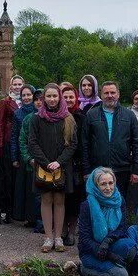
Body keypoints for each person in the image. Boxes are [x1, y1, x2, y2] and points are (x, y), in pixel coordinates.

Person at [27, 84, 78, 252]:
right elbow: (32, 143)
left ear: (59, 97)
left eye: (55, 96)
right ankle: (48, 237)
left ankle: (58, 237)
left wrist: (59, 161)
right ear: (44, 99)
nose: (52, 99)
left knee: (59, 201)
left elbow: (72, 144)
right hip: (43, 166)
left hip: (62, 166)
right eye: (48, 96)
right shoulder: (37, 118)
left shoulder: (68, 118)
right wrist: (45, 162)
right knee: (46, 200)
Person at [82, 81, 138, 200]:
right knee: (98, 203)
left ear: (118, 94)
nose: (110, 95)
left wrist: (137, 170)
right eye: (106, 93)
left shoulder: (129, 115)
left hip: (122, 168)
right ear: (101, 95)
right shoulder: (91, 115)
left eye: (113, 92)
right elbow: (85, 144)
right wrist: (86, 169)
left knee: (120, 202)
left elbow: (137, 144)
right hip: (97, 169)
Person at [77, 167, 129, 276]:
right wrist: (108, 254)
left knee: (130, 248)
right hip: (90, 252)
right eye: (103, 184)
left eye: (111, 183)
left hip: (111, 246)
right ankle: (84, 270)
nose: (108, 188)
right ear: (95, 186)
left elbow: (123, 229)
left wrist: (108, 241)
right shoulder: (87, 205)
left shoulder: (120, 200)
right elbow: (84, 239)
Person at [61, 83, 86, 245]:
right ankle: (62, 229)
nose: (69, 100)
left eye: (71, 97)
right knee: (61, 198)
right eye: (66, 97)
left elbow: (84, 143)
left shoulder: (81, 116)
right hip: (60, 163)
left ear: (76, 98)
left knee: (74, 199)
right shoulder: (57, 116)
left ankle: (71, 232)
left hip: (75, 164)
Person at [0, 76, 23, 223]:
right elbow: (0, 124)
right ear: (11, 86)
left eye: (20, 84)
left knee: (21, 179)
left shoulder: (28, 101)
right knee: (8, 177)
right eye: (15, 84)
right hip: (8, 142)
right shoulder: (5, 102)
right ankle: (6, 210)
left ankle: (20, 210)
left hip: (24, 143)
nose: (18, 87)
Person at [10, 85, 37, 222]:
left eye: (29, 95)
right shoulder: (18, 114)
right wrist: (14, 157)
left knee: (35, 187)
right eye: (24, 95)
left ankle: (36, 217)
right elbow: (14, 136)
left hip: (38, 154)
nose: (26, 98)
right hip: (23, 153)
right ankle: (26, 217)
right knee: (25, 187)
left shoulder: (39, 111)